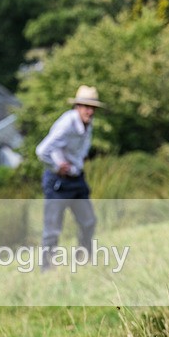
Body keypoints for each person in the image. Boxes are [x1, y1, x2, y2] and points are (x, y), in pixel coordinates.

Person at [35, 85, 105, 269]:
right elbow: (42, 150)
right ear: (77, 107)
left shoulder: (88, 124)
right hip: (58, 181)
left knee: (89, 221)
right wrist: (57, 166)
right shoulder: (67, 123)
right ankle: (47, 269)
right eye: (86, 106)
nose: (90, 111)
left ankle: (84, 260)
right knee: (53, 230)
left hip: (77, 179)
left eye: (92, 108)